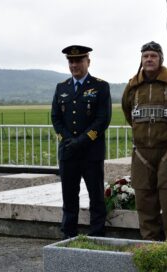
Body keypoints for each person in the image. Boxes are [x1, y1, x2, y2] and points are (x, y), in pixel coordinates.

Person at [121, 41, 167, 241]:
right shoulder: (132, 87)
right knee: (144, 200)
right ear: (141, 60)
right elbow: (128, 112)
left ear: (161, 59)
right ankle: (150, 244)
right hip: (142, 152)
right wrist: (143, 133)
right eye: (146, 56)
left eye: (153, 56)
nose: (149, 59)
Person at [51, 45, 112, 239]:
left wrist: (83, 140)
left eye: (79, 61)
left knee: (96, 196)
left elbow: (103, 119)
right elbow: (55, 118)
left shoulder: (100, 86)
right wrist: (70, 140)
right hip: (68, 151)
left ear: (88, 62)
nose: (74, 65)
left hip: (91, 152)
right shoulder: (62, 88)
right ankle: (68, 235)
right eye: (71, 61)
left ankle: (97, 235)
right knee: (69, 196)